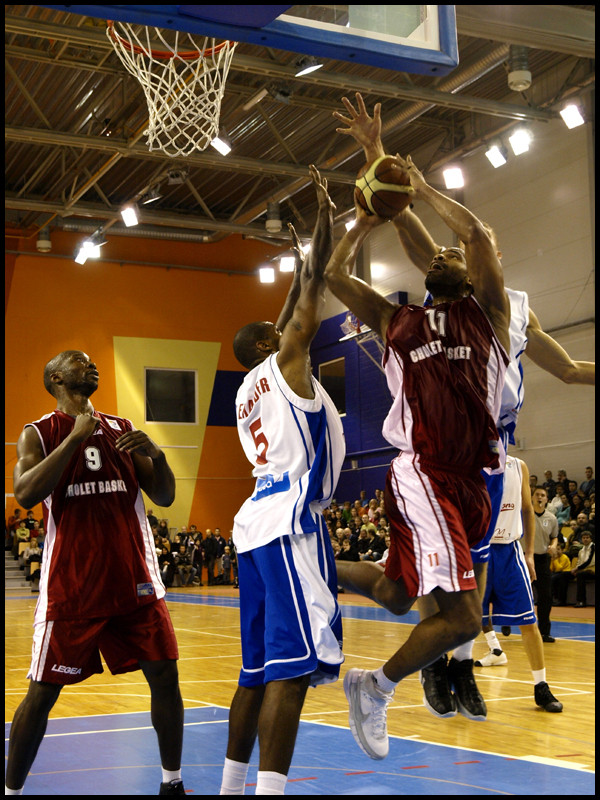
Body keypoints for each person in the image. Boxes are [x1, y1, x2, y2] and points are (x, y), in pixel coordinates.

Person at [333, 92, 595, 724]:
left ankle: (448, 660)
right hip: (431, 457)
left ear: (486, 266)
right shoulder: (428, 309)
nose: (454, 251)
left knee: (413, 589)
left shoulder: (504, 308)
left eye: (471, 250)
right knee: (457, 603)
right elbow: (421, 235)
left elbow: (571, 368)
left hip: (488, 460)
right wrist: (380, 164)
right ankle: (433, 671)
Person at [324, 108, 511, 758]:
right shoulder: (395, 320)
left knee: (400, 595)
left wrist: (410, 184)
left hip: (470, 481)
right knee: (462, 617)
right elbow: (331, 275)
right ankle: (374, 686)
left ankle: (309, 562)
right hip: (422, 472)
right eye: (438, 254)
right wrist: (363, 212)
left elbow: (478, 235)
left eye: (452, 253)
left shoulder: (487, 315)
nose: (447, 252)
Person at [5, 350, 186, 796]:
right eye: (78, 361)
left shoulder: (122, 429)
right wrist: (72, 439)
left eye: (91, 361)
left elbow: (163, 496)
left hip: (134, 581)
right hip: (73, 588)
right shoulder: (38, 433)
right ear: (55, 377)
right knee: (42, 693)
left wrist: (157, 455)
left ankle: (172, 783)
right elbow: (25, 493)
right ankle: (11, 791)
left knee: (165, 675)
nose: (91, 365)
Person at [220, 165, 345, 796]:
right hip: (292, 523)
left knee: (254, 673)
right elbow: (311, 288)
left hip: (257, 524)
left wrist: (300, 254)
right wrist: (325, 217)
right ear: (274, 340)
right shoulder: (286, 360)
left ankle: (229, 788)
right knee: (289, 674)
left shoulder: (250, 387)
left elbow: (300, 288)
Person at [473, 456, 562, 712]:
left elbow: (526, 509)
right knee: (466, 622)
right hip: (478, 551)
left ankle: (541, 686)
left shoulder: (518, 465)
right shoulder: (470, 461)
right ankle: (459, 682)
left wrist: (530, 553)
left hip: (509, 551)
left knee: (529, 622)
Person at [532, 486, 559, 642]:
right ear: (532, 498)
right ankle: (508, 623)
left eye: (543, 495)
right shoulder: (524, 515)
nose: (540, 497)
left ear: (547, 499)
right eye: (537, 495)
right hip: (525, 558)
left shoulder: (552, 518)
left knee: (546, 596)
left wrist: (554, 545)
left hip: (542, 559)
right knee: (522, 594)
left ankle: (544, 632)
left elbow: (555, 536)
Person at [571, 531, 595, 607]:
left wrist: (577, 569)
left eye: (587, 538)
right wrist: (575, 569)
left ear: (591, 539)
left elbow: (590, 562)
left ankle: (581, 601)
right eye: (584, 538)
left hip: (592, 570)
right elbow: (579, 562)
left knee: (580, 575)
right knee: (561, 575)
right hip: (583, 570)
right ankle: (560, 600)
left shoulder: (593, 547)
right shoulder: (581, 550)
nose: (585, 539)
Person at [550, 541, 573, 606]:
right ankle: (551, 599)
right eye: (555, 549)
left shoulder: (564, 557)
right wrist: (552, 559)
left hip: (566, 572)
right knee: (550, 577)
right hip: (558, 574)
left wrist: (555, 559)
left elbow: (559, 568)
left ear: (562, 550)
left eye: (558, 549)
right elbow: (551, 569)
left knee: (555, 578)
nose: (557, 551)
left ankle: (560, 600)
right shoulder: (554, 558)